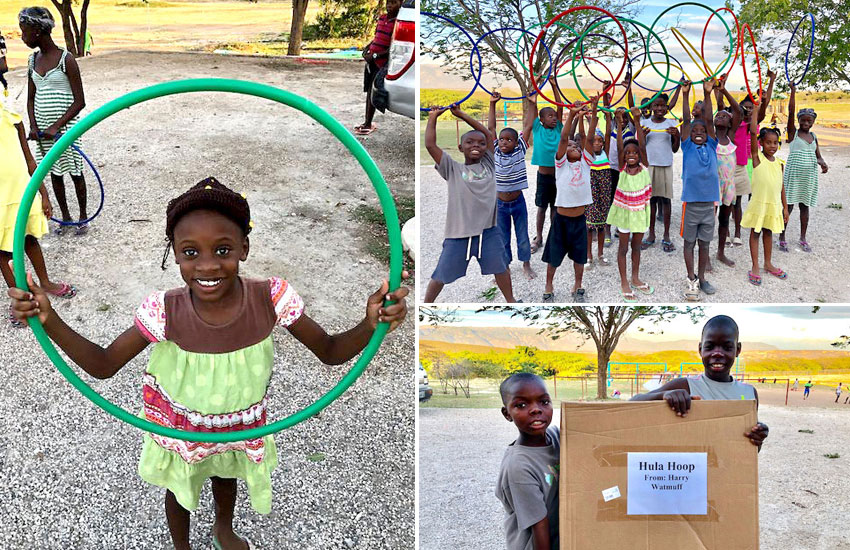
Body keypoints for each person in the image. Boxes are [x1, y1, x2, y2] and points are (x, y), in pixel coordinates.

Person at [8, 177, 410, 550]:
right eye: (190, 252)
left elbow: (330, 351)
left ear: (243, 249)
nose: (207, 265)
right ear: (175, 254)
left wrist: (370, 324)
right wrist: (50, 320)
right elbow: (103, 364)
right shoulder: (164, 310)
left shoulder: (272, 298)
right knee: (181, 489)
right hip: (184, 424)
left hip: (238, 421)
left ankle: (223, 528)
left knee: (225, 474)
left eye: (222, 250)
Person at [1, 73, 76, 327]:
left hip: (19, 190)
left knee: (28, 238)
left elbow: (30, 160)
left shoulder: (10, 114)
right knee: (2, 251)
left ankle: (45, 282)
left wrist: (43, 193)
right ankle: (20, 299)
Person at [630, 315, 769, 451]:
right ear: (700, 349)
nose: (717, 353)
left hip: (728, 472)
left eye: (727, 347)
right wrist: (663, 395)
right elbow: (631, 403)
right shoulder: (685, 386)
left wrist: (758, 437)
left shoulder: (749, 393)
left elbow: (750, 450)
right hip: (691, 471)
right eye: (710, 347)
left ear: (738, 349)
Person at [423, 104, 516, 303]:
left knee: (501, 268)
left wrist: (461, 114)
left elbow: (489, 136)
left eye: (480, 144)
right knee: (441, 275)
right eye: (470, 142)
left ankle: (511, 301)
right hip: (459, 234)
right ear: (460, 147)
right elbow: (431, 145)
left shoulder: (489, 163)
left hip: (488, 232)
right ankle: (426, 305)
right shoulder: (452, 168)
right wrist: (433, 117)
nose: (476, 145)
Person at [20, 7, 90, 235]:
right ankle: (66, 218)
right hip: (43, 132)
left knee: (75, 171)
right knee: (55, 173)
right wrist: (33, 125)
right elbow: (31, 98)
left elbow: (80, 101)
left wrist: (57, 126)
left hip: (66, 130)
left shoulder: (65, 59)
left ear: (38, 31)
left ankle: (82, 217)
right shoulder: (32, 61)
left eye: (25, 31)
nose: (22, 37)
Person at [541, 99, 598, 303]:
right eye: (571, 146)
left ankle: (578, 284)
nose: (574, 147)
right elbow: (564, 138)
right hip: (561, 221)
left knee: (580, 257)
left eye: (577, 147)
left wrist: (593, 112)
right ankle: (549, 284)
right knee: (553, 257)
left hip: (579, 221)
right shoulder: (561, 165)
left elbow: (588, 139)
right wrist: (572, 114)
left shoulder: (585, 165)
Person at [495, 372, 559, 550]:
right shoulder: (519, 467)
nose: (536, 409)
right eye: (521, 405)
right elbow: (539, 526)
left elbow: (599, 422)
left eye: (544, 402)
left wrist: (643, 398)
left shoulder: (556, 437)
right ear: (507, 414)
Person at [678, 79, 720, 301]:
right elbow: (686, 120)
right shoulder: (687, 146)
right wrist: (685, 95)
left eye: (702, 130)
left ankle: (702, 277)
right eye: (694, 130)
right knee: (689, 243)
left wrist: (707, 93)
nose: (698, 132)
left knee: (705, 243)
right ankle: (691, 277)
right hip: (691, 204)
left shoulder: (712, 145)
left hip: (709, 205)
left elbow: (710, 119)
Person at [606, 105, 652, 302]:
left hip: (640, 212)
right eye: (628, 152)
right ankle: (624, 280)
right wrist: (617, 122)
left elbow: (641, 144)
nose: (631, 154)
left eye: (634, 152)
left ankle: (635, 277)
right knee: (623, 248)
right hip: (625, 213)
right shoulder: (622, 168)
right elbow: (618, 147)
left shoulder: (644, 166)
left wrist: (637, 120)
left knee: (636, 246)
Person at [488, 92, 536, 281]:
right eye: (502, 139)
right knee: (503, 237)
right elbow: (491, 127)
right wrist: (492, 104)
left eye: (509, 139)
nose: (504, 142)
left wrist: (532, 104)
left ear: (517, 142)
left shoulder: (520, 150)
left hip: (518, 202)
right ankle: (504, 267)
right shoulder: (495, 151)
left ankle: (526, 265)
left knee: (522, 236)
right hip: (499, 204)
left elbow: (529, 125)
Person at [779, 83, 829, 252]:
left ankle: (802, 237)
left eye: (809, 120)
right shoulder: (793, 134)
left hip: (808, 178)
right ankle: (782, 236)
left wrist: (822, 163)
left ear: (813, 122)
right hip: (794, 176)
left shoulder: (813, 136)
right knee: (789, 206)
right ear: (799, 121)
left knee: (804, 207)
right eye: (803, 120)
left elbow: (818, 156)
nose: (806, 123)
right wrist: (793, 92)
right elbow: (791, 112)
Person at [729, 70, 777, 247]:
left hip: (753, 164)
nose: (749, 110)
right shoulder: (737, 124)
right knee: (735, 200)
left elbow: (764, 105)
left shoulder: (754, 124)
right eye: (746, 107)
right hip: (738, 164)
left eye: (751, 107)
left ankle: (752, 225)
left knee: (752, 197)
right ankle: (733, 231)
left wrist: (771, 81)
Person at [740, 115, 789, 286]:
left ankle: (768, 263)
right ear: (761, 143)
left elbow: (781, 186)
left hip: (774, 205)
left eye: (775, 143)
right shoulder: (756, 158)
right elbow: (753, 132)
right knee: (755, 233)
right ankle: (755, 266)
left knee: (768, 232)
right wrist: (755, 109)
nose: (772, 146)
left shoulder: (780, 163)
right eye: (768, 142)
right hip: (759, 204)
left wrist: (785, 208)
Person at [638, 93, 680, 253]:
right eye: (656, 105)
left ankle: (667, 235)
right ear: (650, 107)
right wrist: (643, 135)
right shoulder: (644, 123)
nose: (659, 108)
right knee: (651, 201)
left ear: (667, 107)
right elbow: (641, 146)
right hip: (649, 166)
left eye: (662, 105)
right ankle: (651, 234)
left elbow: (675, 149)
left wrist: (675, 136)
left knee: (666, 200)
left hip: (665, 164)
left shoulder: (671, 123)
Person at [529, 76, 565, 254]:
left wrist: (554, 85)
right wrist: (533, 100)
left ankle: (553, 236)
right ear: (541, 120)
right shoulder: (537, 128)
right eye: (549, 116)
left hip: (558, 176)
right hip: (543, 177)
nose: (553, 118)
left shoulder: (559, 127)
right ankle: (539, 236)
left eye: (554, 116)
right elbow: (532, 110)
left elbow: (559, 106)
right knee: (541, 208)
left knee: (555, 209)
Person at [711, 75, 744, 268]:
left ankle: (721, 252)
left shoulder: (730, 137)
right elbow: (709, 115)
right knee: (709, 222)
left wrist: (723, 90)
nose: (720, 117)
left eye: (725, 116)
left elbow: (738, 111)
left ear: (731, 123)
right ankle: (705, 256)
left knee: (724, 220)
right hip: (713, 186)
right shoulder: (710, 137)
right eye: (718, 115)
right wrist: (713, 94)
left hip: (729, 186)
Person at [355, 0, 400, 135]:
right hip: (371, 62)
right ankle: (367, 122)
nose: (389, 6)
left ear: (401, 3)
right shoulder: (382, 18)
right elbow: (376, 38)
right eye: (388, 3)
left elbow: (393, 47)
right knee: (369, 91)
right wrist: (367, 49)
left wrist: (375, 56)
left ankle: (368, 123)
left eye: (393, 3)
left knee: (374, 92)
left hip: (381, 63)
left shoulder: (397, 23)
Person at [585, 89, 614, 270]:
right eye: (594, 141)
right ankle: (588, 256)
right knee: (589, 227)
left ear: (603, 143)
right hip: (591, 194)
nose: (596, 143)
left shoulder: (606, 152)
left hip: (604, 194)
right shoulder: (587, 154)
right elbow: (587, 134)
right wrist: (594, 109)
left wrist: (608, 111)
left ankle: (601, 254)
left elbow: (609, 129)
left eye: (599, 141)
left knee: (602, 226)